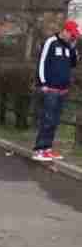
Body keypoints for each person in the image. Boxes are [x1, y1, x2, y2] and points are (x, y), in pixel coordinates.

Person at [33, 20, 78, 162]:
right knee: (47, 119)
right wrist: (43, 83)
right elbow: (42, 62)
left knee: (55, 121)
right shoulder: (51, 42)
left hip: (62, 90)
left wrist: (73, 48)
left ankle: (47, 149)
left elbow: (73, 63)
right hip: (50, 88)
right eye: (72, 34)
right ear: (65, 31)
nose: (73, 37)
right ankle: (39, 149)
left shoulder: (67, 46)